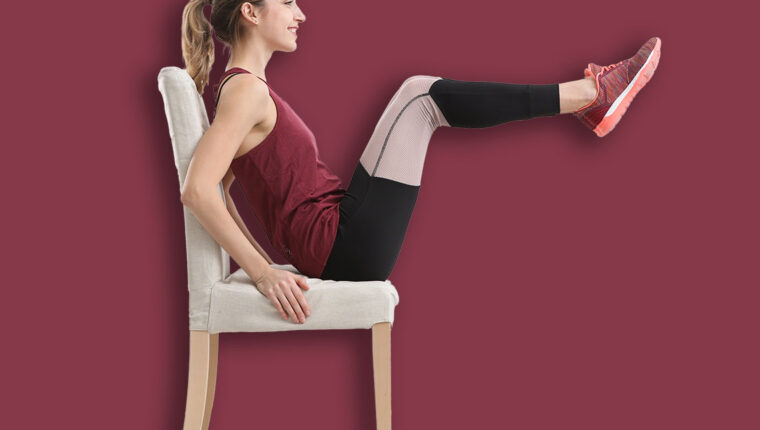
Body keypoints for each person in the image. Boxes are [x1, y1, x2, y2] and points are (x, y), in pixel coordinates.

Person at [179, 0, 662, 325]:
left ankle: (589, 98)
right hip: (339, 246)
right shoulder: (244, 89)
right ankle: (589, 95)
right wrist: (263, 273)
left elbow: (219, 191)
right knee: (418, 96)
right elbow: (197, 189)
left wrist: (263, 261)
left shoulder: (243, 89)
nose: (301, 14)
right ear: (250, 12)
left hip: (334, 236)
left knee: (417, 95)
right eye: (287, 1)